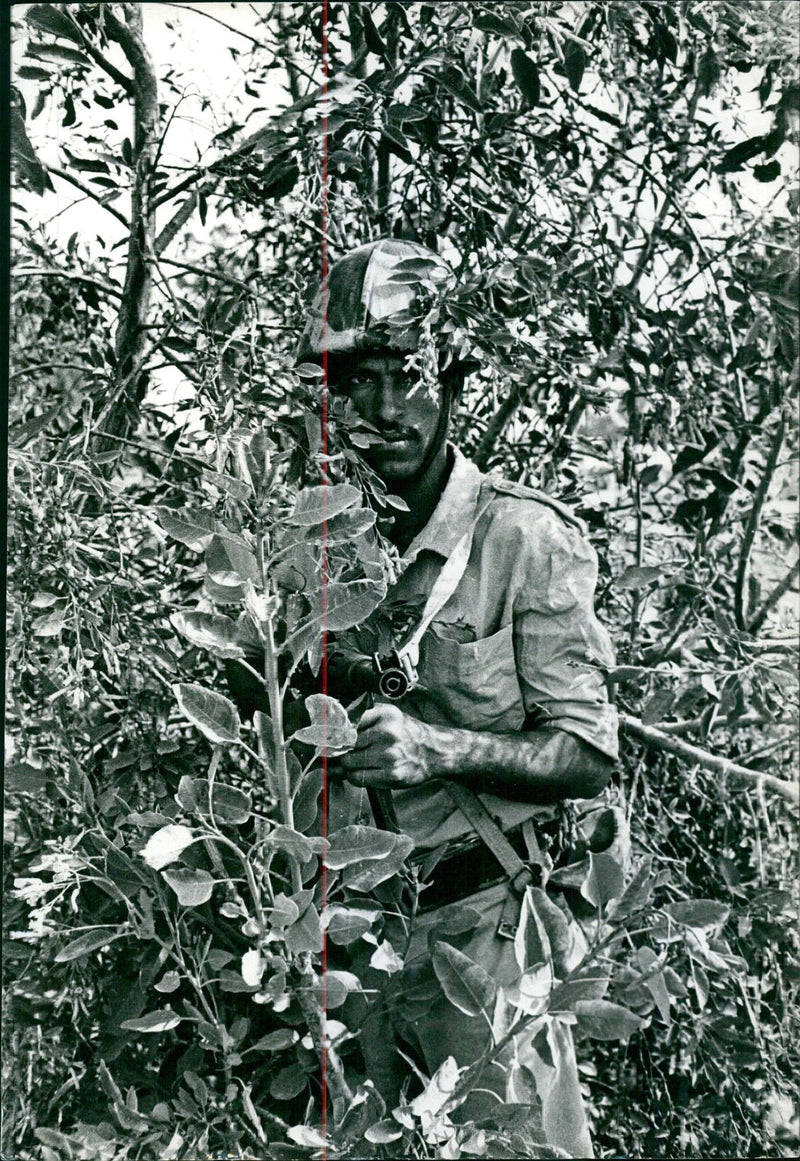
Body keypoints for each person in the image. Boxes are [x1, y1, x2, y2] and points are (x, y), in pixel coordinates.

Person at [236, 238, 621, 1157]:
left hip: (481, 941)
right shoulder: (293, 546)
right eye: (353, 381)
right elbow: (250, 729)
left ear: (452, 377)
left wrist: (438, 749)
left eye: (407, 373)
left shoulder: (523, 539)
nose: (380, 408)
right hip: (335, 955)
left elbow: (586, 751)